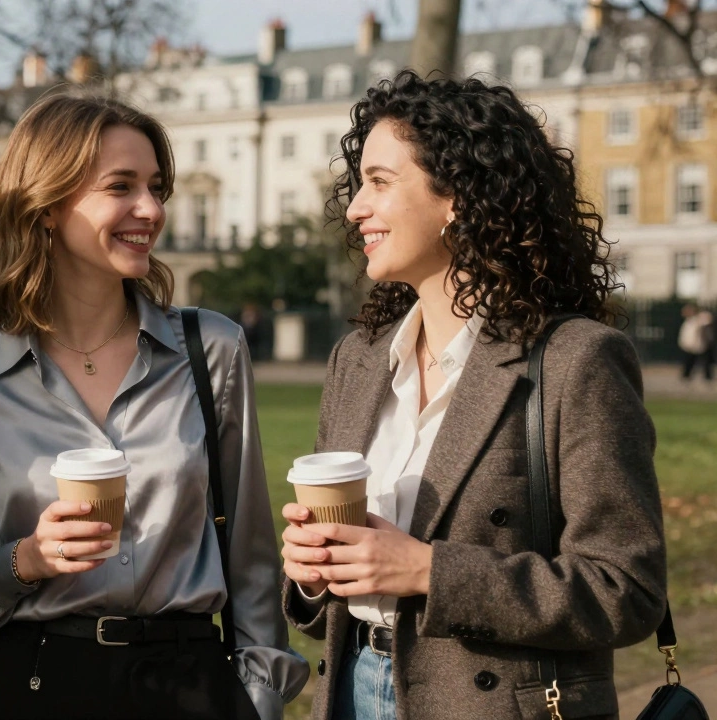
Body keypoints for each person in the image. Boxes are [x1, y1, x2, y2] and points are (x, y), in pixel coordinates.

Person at [0, 92, 307, 720]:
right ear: (45, 206)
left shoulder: (213, 350)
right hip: (32, 687)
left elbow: (252, 554)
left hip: (190, 686)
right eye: (121, 186)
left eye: (156, 186)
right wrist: (23, 561)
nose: (150, 209)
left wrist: (259, 695)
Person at [279, 70, 667, 720]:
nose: (353, 208)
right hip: (351, 690)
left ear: (456, 195)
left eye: (379, 182)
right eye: (358, 184)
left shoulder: (575, 361)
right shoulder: (359, 359)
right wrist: (314, 574)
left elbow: (626, 590)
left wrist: (430, 571)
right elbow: (331, 607)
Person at [679, 303, 714, 382]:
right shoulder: (688, 322)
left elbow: (708, 319)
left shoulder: (698, 319)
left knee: (705, 363)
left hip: (699, 345)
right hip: (690, 346)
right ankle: (686, 376)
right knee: (689, 363)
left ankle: (708, 377)